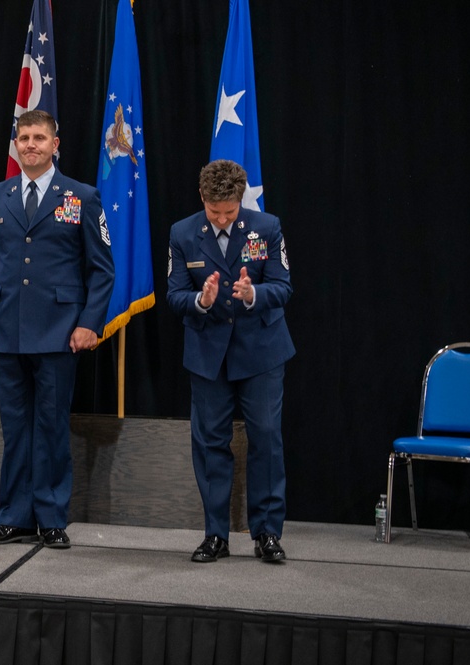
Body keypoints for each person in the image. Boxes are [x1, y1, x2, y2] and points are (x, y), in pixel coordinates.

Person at [0, 110, 115, 549]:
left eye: (39, 137)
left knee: (51, 427)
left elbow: (102, 270)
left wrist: (89, 323)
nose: (30, 144)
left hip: (59, 330)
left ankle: (52, 517)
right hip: (5, 329)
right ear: (15, 145)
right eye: (23, 137)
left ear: (56, 144)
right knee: (15, 429)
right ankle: (13, 517)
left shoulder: (82, 196)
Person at [166, 159, 294, 563]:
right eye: (214, 211)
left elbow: (283, 286)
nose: (222, 219)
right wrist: (199, 301)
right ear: (202, 198)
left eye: (230, 211)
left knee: (267, 439)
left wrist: (253, 294)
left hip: (260, 351)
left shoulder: (267, 227)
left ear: (240, 201)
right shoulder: (182, 233)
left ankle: (267, 533)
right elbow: (174, 294)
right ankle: (215, 534)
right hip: (208, 355)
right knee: (209, 444)